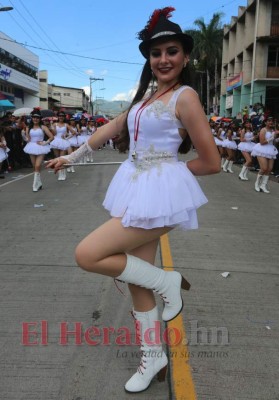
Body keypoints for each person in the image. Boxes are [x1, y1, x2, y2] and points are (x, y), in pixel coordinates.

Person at [46, 7, 220, 394]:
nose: (163, 59)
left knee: (87, 254)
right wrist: (72, 156)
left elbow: (211, 163)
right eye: (156, 53)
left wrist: (169, 175)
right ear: (148, 59)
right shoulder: (146, 98)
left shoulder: (186, 97)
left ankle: (169, 282)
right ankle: (153, 353)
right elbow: (113, 125)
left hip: (159, 194)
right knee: (136, 280)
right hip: (137, 189)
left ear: (185, 56)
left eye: (172, 51)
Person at [23, 109, 54, 192]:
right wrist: (24, 136)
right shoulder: (28, 127)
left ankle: (35, 184)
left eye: (37, 118)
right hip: (31, 146)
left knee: (37, 166)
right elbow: (28, 139)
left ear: (40, 119)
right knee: (35, 167)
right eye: (34, 117)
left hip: (41, 147)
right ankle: (39, 183)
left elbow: (51, 137)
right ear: (32, 118)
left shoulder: (43, 127)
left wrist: (45, 142)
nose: (35, 119)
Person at [251, 116, 278, 193]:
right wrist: (272, 137)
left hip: (271, 149)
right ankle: (257, 184)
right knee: (264, 168)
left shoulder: (273, 130)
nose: (271, 122)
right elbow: (262, 142)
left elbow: (274, 142)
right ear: (265, 122)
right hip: (262, 149)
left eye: (272, 121)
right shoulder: (263, 130)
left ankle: (263, 185)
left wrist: (276, 138)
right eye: (269, 121)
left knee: (269, 169)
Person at [50, 111, 72, 181]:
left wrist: (66, 137)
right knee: (57, 158)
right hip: (56, 141)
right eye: (60, 116)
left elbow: (74, 133)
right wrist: (51, 127)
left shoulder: (66, 125)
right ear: (58, 117)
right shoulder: (54, 124)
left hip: (63, 142)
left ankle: (63, 172)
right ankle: (60, 173)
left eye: (62, 116)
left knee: (62, 158)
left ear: (64, 117)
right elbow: (54, 133)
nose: (61, 117)